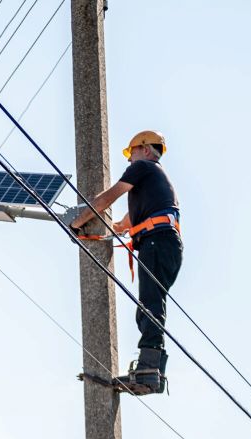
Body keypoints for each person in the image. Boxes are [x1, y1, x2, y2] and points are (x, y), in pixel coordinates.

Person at [69, 130, 182, 394]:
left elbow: (110, 196)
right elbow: (129, 219)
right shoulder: (156, 183)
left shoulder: (143, 167)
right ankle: (151, 368)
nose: (129, 160)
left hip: (157, 242)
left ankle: (149, 370)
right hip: (165, 243)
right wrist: (114, 226)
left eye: (131, 153)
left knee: (151, 305)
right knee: (149, 305)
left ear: (143, 149)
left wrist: (77, 222)